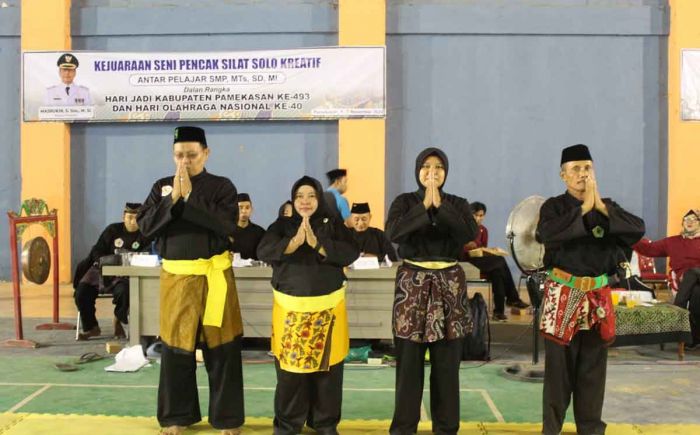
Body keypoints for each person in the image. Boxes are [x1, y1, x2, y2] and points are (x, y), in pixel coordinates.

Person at [137, 126, 244, 435]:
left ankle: (228, 420)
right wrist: (173, 200)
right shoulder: (161, 187)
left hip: (214, 277)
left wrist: (190, 197)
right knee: (175, 348)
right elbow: (145, 227)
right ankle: (175, 418)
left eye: (192, 155)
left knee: (223, 349)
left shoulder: (222, 187)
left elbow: (226, 224)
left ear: (206, 153)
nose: (184, 162)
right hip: (177, 278)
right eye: (179, 155)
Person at [536, 144, 645, 435]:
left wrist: (601, 209)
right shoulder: (554, 208)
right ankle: (552, 429)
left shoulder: (608, 207)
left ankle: (591, 428)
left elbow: (637, 229)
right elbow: (546, 234)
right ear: (563, 175)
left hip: (597, 298)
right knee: (559, 373)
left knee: (593, 371)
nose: (582, 174)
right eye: (575, 169)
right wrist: (583, 211)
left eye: (587, 168)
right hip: (563, 295)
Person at [385, 147, 478, 435]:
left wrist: (441, 207)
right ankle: (403, 428)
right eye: (426, 166)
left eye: (438, 167)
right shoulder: (404, 202)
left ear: (446, 172)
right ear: (418, 171)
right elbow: (394, 234)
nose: (432, 172)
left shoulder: (458, 203)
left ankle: (447, 428)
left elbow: (468, 235)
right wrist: (424, 206)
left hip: (448, 286)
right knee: (409, 367)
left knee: (447, 368)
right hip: (412, 287)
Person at [257, 176, 359, 435]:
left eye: (311, 195)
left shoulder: (333, 224)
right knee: (291, 376)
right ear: (293, 199)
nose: (305, 201)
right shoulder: (282, 225)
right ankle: (288, 424)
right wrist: (291, 244)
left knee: (328, 373)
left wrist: (317, 244)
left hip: (328, 312)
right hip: (291, 313)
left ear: (319, 199)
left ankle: (324, 423)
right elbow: (263, 251)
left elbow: (351, 251)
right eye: (300, 196)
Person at [73, 202, 151, 340]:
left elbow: (148, 255)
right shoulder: (112, 230)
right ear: (123, 217)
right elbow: (97, 250)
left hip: (126, 275)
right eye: (129, 217)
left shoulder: (146, 233)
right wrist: (105, 261)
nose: (133, 221)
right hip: (102, 272)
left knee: (124, 292)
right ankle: (91, 327)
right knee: (81, 292)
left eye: (136, 218)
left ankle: (118, 319)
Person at [633, 209, 700, 346]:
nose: (690, 222)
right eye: (687, 219)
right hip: (688, 284)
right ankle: (694, 338)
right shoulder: (672, 242)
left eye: (694, 219)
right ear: (682, 223)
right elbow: (649, 249)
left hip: (690, 279)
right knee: (696, 293)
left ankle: (678, 307)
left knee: (693, 272)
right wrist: (630, 238)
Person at [462, 201, 529, 321]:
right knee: (500, 261)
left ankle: (499, 312)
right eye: (475, 215)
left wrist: (488, 251)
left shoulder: (483, 230)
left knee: (497, 272)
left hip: (481, 261)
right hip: (467, 261)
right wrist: (467, 246)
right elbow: (458, 249)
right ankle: (512, 299)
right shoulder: (462, 228)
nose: (478, 218)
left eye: (481, 215)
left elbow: (482, 249)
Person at [231, 192, 266, 260]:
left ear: (251, 210)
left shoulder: (260, 232)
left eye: (247, 208)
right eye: (240, 208)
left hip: (255, 270)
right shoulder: (226, 232)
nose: (244, 211)